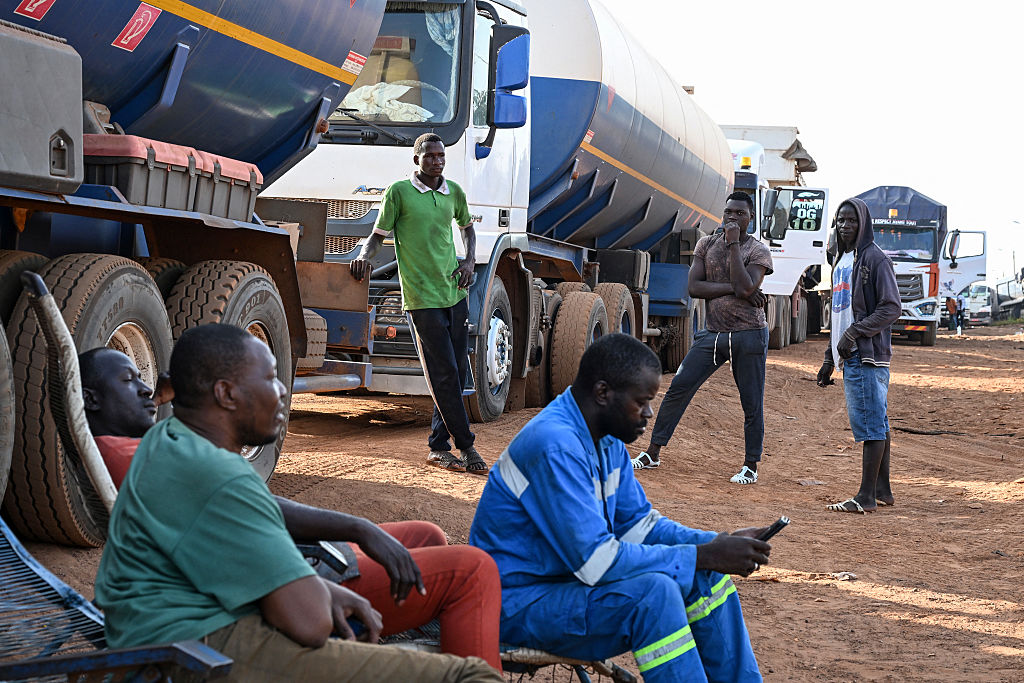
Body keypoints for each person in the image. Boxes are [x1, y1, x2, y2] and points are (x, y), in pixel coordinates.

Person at [93, 327, 502, 681]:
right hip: (201, 655)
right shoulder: (218, 475)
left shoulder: (169, 444)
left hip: (165, 635)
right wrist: (320, 593)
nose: (283, 390)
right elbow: (309, 625)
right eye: (270, 378)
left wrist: (322, 583)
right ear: (226, 394)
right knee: (469, 675)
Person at [470, 333, 771, 682]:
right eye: (642, 402)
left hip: (562, 587)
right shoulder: (556, 445)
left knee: (707, 578)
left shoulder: (605, 436)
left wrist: (717, 545)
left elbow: (640, 526)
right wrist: (703, 555)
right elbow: (595, 562)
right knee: (654, 596)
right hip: (516, 605)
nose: (649, 413)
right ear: (603, 394)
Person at [349, 133, 485, 475]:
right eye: (430, 156)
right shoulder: (399, 192)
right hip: (421, 297)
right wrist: (364, 257)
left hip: (454, 292)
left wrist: (469, 262)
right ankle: (466, 446)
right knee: (443, 372)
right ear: (417, 160)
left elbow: (467, 229)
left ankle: (439, 446)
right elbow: (377, 235)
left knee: (454, 372)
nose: (437, 161)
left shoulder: (453, 191)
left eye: (441, 156)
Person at [633, 191, 773, 484]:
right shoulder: (705, 244)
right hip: (712, 333)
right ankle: (652, 453)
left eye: (739, 214)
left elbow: (746, 287)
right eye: (728, 213)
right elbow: (695, 288)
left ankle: (750, 466)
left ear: (750, 218)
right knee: (678, 388)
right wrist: (736, 289)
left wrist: (734, 245)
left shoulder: (758, 251)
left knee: (751, 403)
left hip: (748, 336)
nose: (732, 218)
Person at [816, 198, 900, 514]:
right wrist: (828, 359)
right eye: (841, 221)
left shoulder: (874, 259)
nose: (846, 226)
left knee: (870, 424)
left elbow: (891, 307)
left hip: (866, 356)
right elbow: (840, 315)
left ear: (863, 223)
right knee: (877, 420)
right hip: (850, 355)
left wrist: (854, 334)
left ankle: (865, 497)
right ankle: (882, 490)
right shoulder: (842, 261)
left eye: (852, 220)